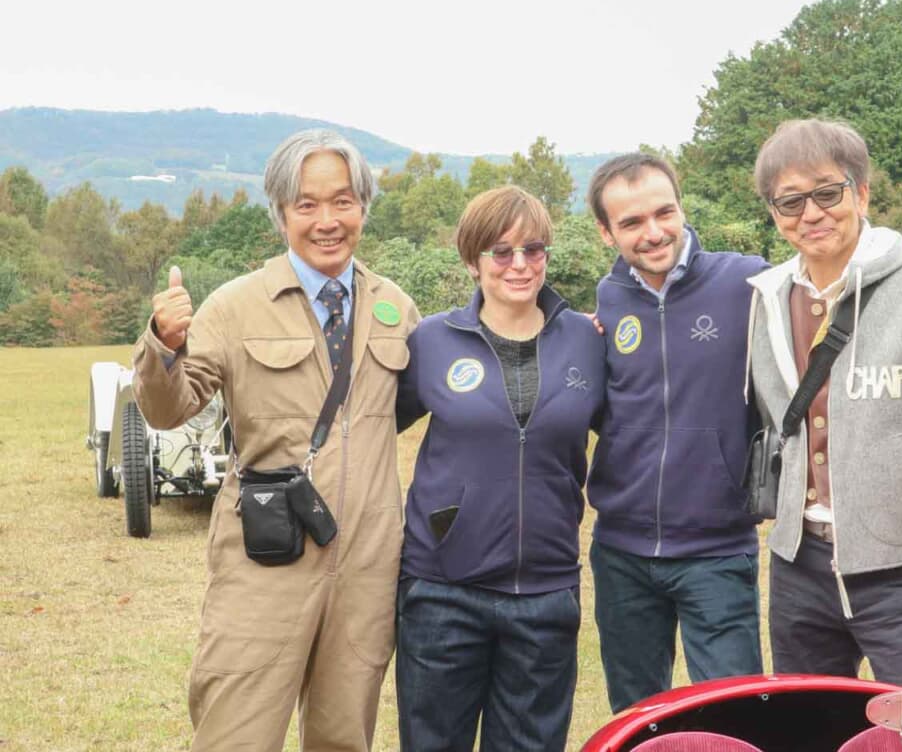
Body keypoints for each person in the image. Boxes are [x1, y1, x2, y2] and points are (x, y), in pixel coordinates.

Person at [133, 129, 419, 751]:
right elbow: (168, 409)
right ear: (281, 213)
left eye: (342, 201)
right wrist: (164, 344)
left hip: (366, 566)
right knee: (236, 732)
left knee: (344, 736)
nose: (327, 221)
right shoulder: (236, 306)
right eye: (307, 204)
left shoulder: (396, 307)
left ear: (363, 206)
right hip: (266, 556)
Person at [746, 118, 902, 705]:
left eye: (826, 193)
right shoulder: (765, 301)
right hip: (798, 565)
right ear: (774, 214)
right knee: (805, 728)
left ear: (861, 194)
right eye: (789, 201)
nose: (810, 213)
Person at [393, 185, 606, 751]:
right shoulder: (432, 341)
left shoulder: (588, 339)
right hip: (442, 590)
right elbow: (367, 431)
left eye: (533, 250)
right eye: (501, 251)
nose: (519, 265)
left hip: (544, 592)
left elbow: (632, 431)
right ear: (472, 259)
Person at [585, 154, 770, 713]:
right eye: (632, 223)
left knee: (736, 719)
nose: (654, 232)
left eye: (664, 212)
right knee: (639, 720)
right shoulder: (605, 301)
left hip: (716, 548)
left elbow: (829, 284)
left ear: (681, 207)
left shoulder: (747, 279)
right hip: (620, 552)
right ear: (605, 231)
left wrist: (900, 258)